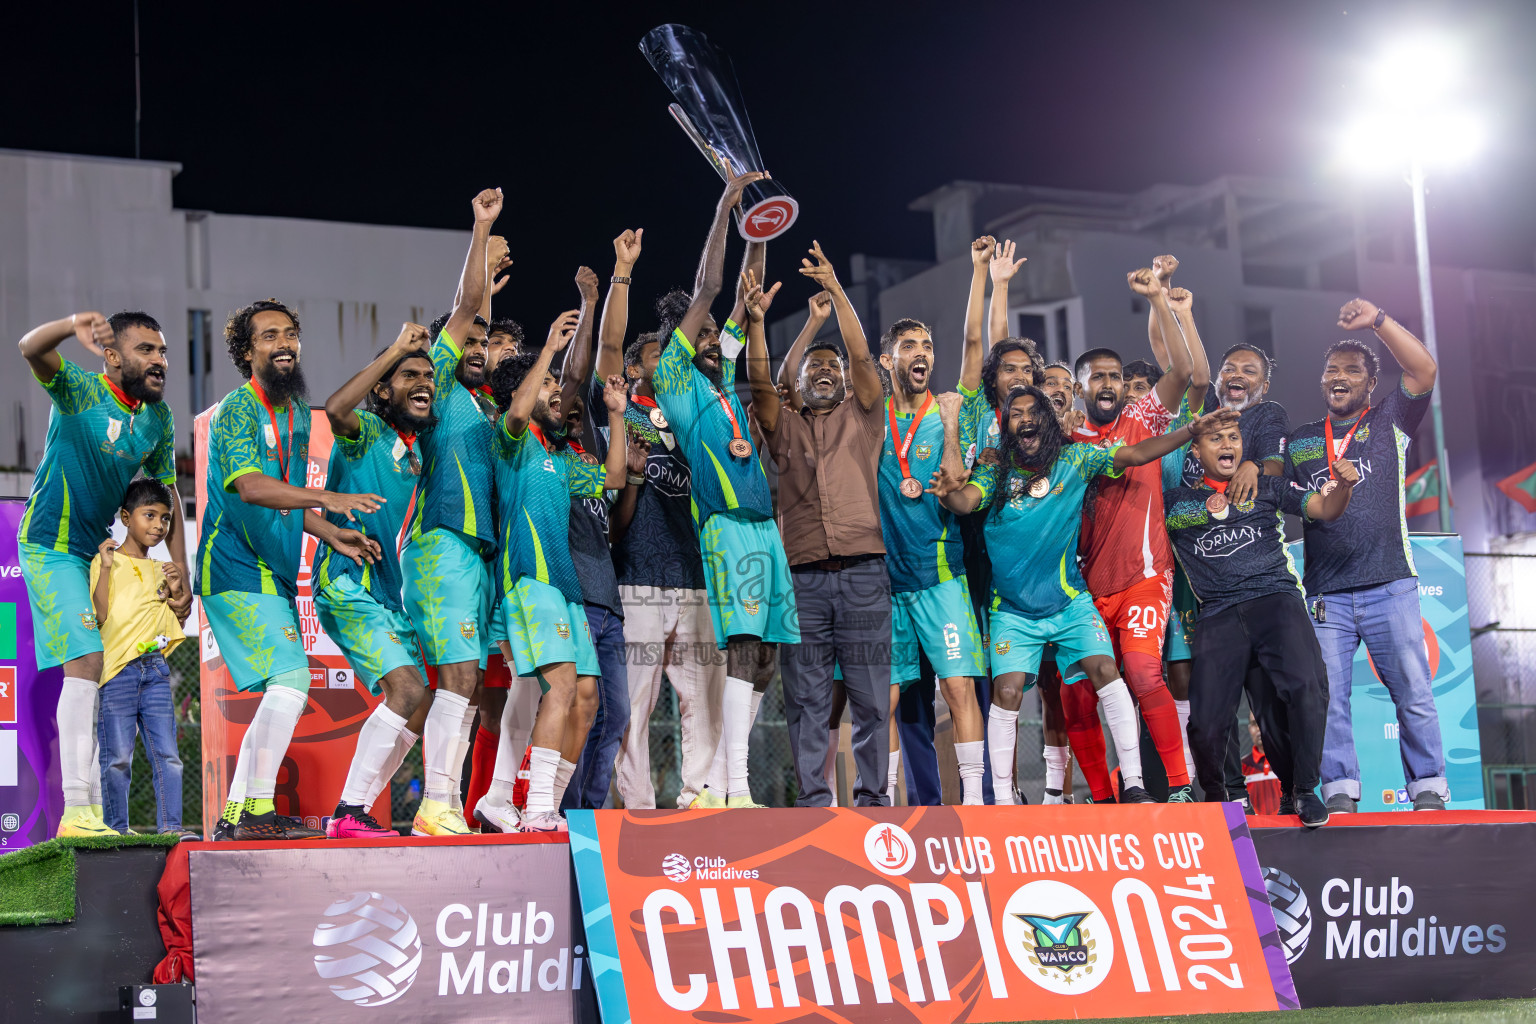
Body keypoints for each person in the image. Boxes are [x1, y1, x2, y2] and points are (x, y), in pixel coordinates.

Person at [935, 387, 1235, 806]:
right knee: (1007, 691)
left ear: (1048, 421)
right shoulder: (995, 471)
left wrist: (1188, 431)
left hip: (1070, 603)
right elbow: (966, 502)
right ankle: (1002, 801)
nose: (1025, 419)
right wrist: (950, 492)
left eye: (1033, 412)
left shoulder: (1076, 459)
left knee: (1106, 672)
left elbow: (1136, 454)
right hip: (1014, 613)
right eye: (1015, 413)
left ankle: (1133, 785)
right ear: (1006, 426)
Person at [199, 298, 381, 840]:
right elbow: (252, 488)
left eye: (290, 334)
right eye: (269, 336)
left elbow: (287, 501)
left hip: (271, 571)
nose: (284, 344)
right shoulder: (237, 409)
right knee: (293, 679)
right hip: (233, 563)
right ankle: (254, 811)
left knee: (285, 684)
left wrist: (330, 532)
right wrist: (327, 499)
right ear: (246, 350)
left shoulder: (300, 414)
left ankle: (235, 816)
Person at [653, 172, 800, 808]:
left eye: (719, 337)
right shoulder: (676, 381)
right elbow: (714, 287)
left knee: (767, 657)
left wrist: (761, 225)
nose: (716, 340)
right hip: (727, 526)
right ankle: (737, 785)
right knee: (743, 646)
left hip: (765, 528)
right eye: (705, 336)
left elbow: (743, 294)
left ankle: (715, 781)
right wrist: (725, 207)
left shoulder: (721, 382)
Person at [17, 309, 187, 837]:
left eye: (162, 351)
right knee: (88, 662)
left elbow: (167, 495)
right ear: (112, 356)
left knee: (95, 667)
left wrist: (178, 566)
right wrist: (70, 324)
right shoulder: (81, 392)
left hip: (93, 552)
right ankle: (76, 810)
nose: (159, 361)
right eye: (146, 351)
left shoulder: (158, 420)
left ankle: (88, 809)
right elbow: (29, 346)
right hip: (50, 547)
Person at [1287, 298, 1449, 813]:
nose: (1338, 376)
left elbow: (1424, 369)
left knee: (1413, 695)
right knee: (1329, 701)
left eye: (1352, 370)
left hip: (1390, 585)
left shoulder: (1390, 421)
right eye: (1331, 369)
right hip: (1327, 596)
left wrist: (1378, 321)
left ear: (1369, 384)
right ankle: (1339, 794)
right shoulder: (1301, 440)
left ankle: (1428, 788)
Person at [749, 241, 891, 807]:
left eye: (833, 368)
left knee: (872, 698)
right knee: (807, 699)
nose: (828, 372)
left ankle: (874, 801)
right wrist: (764, 325)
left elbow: (860, 356)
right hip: (803, 580)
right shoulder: (781, 426)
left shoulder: (865, 416)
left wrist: (835, 290)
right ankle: (813, 804)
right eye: (816, 368)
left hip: (863, 573)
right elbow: (765, 383)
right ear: (799, 382)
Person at [1165, 414, 1358, 828]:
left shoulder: (1265, 486)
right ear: (1196, 452)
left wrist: (1344, 486)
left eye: (1233, 437)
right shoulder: (1177, 504)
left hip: (1275, 600)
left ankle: (1303, 790)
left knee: (1305, 688)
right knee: (1206, 722)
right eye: (1215, 439)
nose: (1227, 444)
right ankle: (1218, 798)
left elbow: (1324, 508)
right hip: (1217, 613)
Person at [1058, 266, 1205, 803]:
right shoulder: (1062, 439)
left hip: (1146, 577)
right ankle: (1102, 798)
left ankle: (1181, 787)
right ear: (1078, 387)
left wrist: (1157, 298)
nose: (1108, 385)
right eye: (1096, 377)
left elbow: (1184, 369)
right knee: (1076, 697)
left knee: (1144, 672)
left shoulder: (1143, 416)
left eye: (1114, 376)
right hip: (1082, 592)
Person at [488, 315, 629, 832]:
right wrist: (547, 349)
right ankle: (539, 806)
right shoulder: (510, 437)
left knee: (586, 699)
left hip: (566, 587)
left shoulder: (559, 455)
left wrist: (616, 414)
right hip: (529, 580)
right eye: (547, 385)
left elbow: (614, 476)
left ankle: (532, 799)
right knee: (561, 689)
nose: (556, 394)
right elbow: (521, 408)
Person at [400, 188, 504, 836]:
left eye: (487, 340)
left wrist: (492, 281)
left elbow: (480, 312)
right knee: (457, 678)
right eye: (469, 338)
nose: (478, 344)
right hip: (441, 542)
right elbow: (467, 307)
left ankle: (441, 801)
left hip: (481, 553)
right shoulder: (435, 382)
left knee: (463, 689)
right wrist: (481, 227)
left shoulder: (487, 404)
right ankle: (434, 803)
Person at [311, 322, 437, 838]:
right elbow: (336, 409)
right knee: (406, 690)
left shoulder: (419, 450)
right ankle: (347, 811)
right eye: (409, 374)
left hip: (388, 593)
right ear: (384, 387)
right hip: (346, 581)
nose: (423, 381)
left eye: (428, 374)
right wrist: (395, 351)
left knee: (421, 701)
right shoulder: (365, 432)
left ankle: (354, 808)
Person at [553, 262, 640, 813]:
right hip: (574, 598)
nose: (576, 412)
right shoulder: (545, 453)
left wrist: (617, 422)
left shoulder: (590, 457)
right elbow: (576, 377)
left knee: (618, 715)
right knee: (580, 710)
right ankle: (561, 811)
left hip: (607, 600)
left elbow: (614, 495)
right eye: (570, 408)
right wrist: (591, 303)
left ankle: (587, 812)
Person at [91, 480, 193, 837]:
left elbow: (176, 622)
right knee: (117, 760)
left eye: (164, 519)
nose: (158, 526)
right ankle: (117, 831)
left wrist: (178, 589)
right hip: (117, 672)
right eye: (149, 515)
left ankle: (171, 830)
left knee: (168, 757)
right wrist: (104, 568)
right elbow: (100, 615)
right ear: (125, 517)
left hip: (155, 672)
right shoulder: (106, 560)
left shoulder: (163, 569)